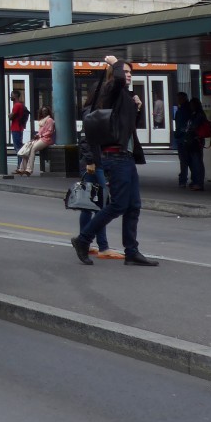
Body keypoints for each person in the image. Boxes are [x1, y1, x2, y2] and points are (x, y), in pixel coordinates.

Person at [70, 55, 159, 266]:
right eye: (125, 72)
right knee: (118, 204)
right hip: (114, 156)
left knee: (133, 205)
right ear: (116, 73)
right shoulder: (110, 90)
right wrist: (115, 62)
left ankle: (131, 251)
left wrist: (137, 108)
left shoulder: (124, 97)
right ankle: (83, 240)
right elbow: (117, 79)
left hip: (125, 157)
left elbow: (128, 128)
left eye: (130, 73)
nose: (128, 75)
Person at [76, 130, 120, 259]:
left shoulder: (91, 111)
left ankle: (86, 243)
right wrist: (90, 160)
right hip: (95, 163)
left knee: (88, 206)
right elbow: (86, 139)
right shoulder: (93, 111)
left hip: (92, 162)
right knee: (102, 205)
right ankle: (102, 247)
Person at [16, 105, 55, 175]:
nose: (44, 112)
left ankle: (29, 169)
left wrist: (40, 135)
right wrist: (37, 135)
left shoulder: (50, 120)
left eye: (46, 111)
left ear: (48, 112)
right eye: (43, 111)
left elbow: (50, 131)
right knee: (28, 148)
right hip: (40, 138)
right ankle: (22, 169)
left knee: (33, 149)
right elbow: (41, 131)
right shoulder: (42, 120)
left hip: (46, 139)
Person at [186, 96, 210, 191]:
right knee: (196, 161)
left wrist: (189, 130)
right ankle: (197, 181)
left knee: (197, 162)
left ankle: (199, 183)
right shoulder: (197, 114)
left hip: (196, 139)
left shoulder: (198, 114)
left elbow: (194, 126)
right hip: (195, 139)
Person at [172, 92, 192, 187]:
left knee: (183, 161)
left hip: (183, 139)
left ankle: (183, 180)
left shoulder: (181, 111)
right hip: (190, 138)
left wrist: (176, 134)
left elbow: (180, 125)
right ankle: (195, 180)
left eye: (179, 99)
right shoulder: (190, 109)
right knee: (192, 160)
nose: (178, 101)